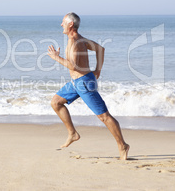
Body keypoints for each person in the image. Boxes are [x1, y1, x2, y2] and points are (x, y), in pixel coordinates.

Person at [47, 12, 129, 160]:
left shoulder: (74, 41)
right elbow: (100, 49)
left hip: (84, 83)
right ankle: (73, 134)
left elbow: (72, 65)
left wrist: (56, 57)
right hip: (76, 83)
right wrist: (98, 70)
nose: (61, 24)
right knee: (56, 102)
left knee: (104, 116)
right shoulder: (80, 39)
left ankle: (122, 145)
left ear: (70, 24)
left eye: (63, 22)